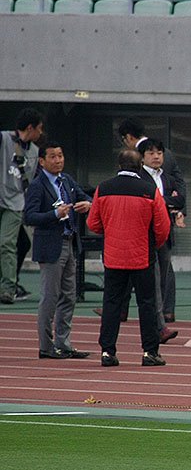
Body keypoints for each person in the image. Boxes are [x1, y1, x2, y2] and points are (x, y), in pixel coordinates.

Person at [87, 149, 170, 367]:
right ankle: (150, 352)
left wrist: (110, 231)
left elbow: (93, 223)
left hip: (113, 256)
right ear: (140, 165)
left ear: (119, 165)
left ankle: (107, 351)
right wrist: (153, 244)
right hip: (141, 255)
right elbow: (162, 227)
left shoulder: (103, 188)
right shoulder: (149, 190)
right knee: (147, 304)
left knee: (111, 303)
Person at [23, 141, 91, 359]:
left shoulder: (66, 180)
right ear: (42, 161)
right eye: (53, 156)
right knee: (50, 297)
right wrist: (54, 214)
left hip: (70, 241)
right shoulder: (37, 185)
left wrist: (87, 204)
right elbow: (29, 216)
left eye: (60, 155)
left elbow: (85, 196)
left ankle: (63, 343)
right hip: (51, 245)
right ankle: (46, 346)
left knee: (69, 296)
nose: (58, 160)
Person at [138, 137, 186, 324]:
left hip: (164, 231)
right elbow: (143, 201)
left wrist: (160, 201)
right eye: (151, 153)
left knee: (165, 271)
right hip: (144, 232)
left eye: (159, 153)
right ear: (142, 157)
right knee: (149, 274)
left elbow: (179, 200)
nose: (156, 157)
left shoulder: (168, 178)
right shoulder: (139, 177)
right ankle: (152, 312)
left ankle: (165, 310)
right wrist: (165, 201)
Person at [1, 108, 43, 305]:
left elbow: (33, 179)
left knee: (7, 243)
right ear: (30, 128)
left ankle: (8, 288)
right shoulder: (4, 139)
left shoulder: (34, 152)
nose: (41, 133)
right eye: (39, 128)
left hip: (15, 203)